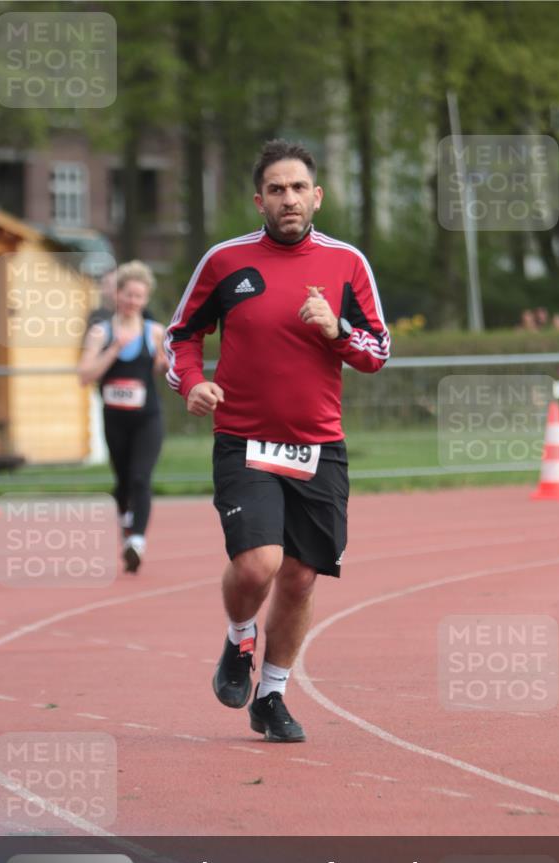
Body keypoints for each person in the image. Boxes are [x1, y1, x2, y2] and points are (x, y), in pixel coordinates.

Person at [165, 139, 390, 741]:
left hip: (319, 445)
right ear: (258, 199)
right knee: (259, 563)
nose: (288, 199)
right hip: (244, 439)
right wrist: (192, 382)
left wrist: (336, 328)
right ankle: (240, 638)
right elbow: (182, 334)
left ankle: (271, 696)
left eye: (298, 188)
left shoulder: (347, 263)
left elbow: (377, 352)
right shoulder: (224, 261)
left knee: (300, 578)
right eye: (276, 189)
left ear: (316, 197)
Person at [78, 260, 168, 573]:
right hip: (115, 419)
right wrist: (113, 349)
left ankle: (137, 542)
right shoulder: (100, 332)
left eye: (139, 297)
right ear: (117, 295)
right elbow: (84, 375)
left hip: (148, 418)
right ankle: (126, 524)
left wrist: (164, 364)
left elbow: (164, 369)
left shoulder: (154, 332)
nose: (133, 302)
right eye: (128, 295)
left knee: (141, 477)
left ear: (146, 300)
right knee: (123, 482)